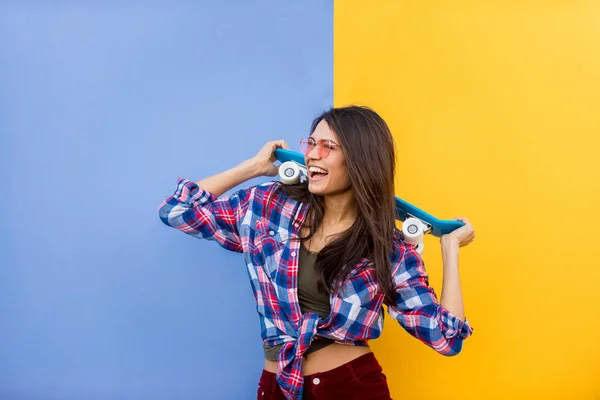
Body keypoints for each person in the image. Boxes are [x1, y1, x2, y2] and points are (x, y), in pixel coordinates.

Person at [158, 105, 475, 400]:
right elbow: (177, 211)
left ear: (359, 160)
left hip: (350, 386)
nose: (313, 155)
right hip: (279, 386)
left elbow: (446, 338)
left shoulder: (387, 246)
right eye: (311, 144)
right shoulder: (269, 206)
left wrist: (449, 249)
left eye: (328, 147)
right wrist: (253, 167)